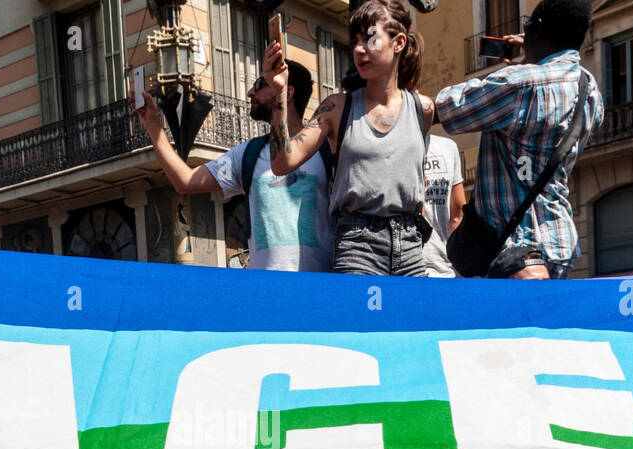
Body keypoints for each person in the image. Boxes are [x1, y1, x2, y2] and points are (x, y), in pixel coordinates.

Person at [261, 0, 437, 277]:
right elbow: (283, 163)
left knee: (414, 322)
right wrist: (279, 93)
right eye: (354, 41)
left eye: (369, 38)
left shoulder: (422, 109)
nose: (358, 49)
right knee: (360, 321)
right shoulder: (337, 107)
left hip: (411, 248)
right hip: (357, 247)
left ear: (399, 42)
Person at [433, 0, 603, 278]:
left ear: (533, 31)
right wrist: (533, 52)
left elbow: (443, 108)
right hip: (558, 244)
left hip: (513, 253)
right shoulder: (590, 88)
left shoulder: (518, 84)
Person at [132, 61, 333, 271]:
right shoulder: (248, 154)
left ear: (286, 92)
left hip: (320, 295)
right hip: (264, 296)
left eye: (259, 84)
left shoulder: (327, 152)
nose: (249, 92)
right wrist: (154, 127)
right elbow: (186, 181)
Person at [422, 134, 466, 277]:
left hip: (408, 264)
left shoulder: (448, 146)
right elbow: (458, 214)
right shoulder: (447, 146)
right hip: (445, 263)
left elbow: (459, 214)